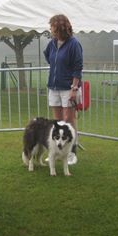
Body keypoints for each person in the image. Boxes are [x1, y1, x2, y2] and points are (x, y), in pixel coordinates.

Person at [43, 14, 83, 165]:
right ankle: (56, 152)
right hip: (54, 87)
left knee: (69, 120)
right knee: (58, 122)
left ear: (59, 27)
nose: (50, 29)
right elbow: (49, 57)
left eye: (52, 26)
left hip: (68, 88)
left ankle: (71, 153)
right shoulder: (52, 43)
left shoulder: (74, 44)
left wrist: (74, 88)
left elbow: (77, 67)